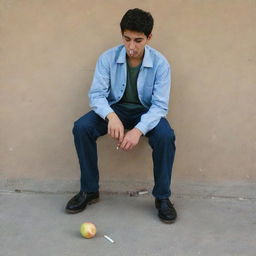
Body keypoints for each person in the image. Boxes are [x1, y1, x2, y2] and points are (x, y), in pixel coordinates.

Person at [65, 8, 177, 224]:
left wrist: (137, 130)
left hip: (146, 112)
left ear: (149, 38)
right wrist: (111, 116)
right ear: (122, 35)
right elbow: (97, 95)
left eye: (138, 40)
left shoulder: (161, 64)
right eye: (127, 39)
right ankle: (89, 191)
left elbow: (160, 106)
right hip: (115, 109)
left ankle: (162, 197)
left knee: (165, 136)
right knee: (82, 127)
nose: (131, 47)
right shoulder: (107, 58)